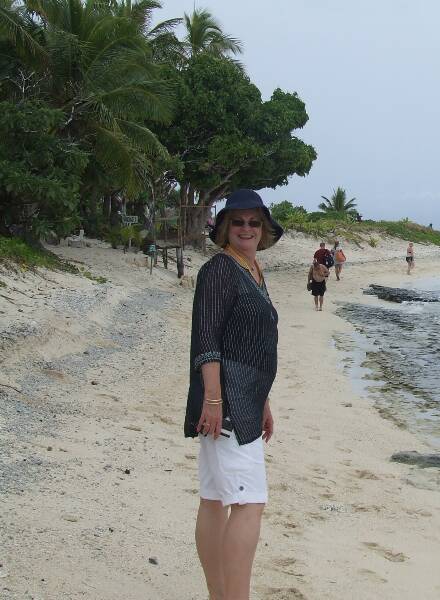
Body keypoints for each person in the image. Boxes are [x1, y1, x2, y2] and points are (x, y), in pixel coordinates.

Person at [184, 189, 282, 600]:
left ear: (264, 229)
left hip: (244, 399)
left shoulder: (252, 269)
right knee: (249, 503)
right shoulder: (220, 270)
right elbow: (208, 339)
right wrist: (213, 400)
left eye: (254, 222)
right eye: (238, 221)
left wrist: (264, 401)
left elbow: (250, 345)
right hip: (226, 403)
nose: (246, 228)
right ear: (225, 227)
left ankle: (219, 594)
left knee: (214, 497)